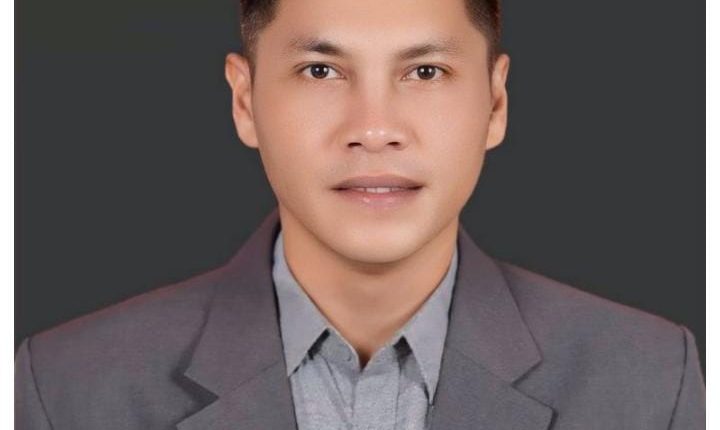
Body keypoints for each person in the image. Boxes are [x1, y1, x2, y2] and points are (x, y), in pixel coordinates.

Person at [15, 0, 705, 429]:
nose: (374, 130)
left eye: (425, 72)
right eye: (321, 71)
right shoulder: (68, 388)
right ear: (244, 101)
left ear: (495, 104)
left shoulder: (649, 381)